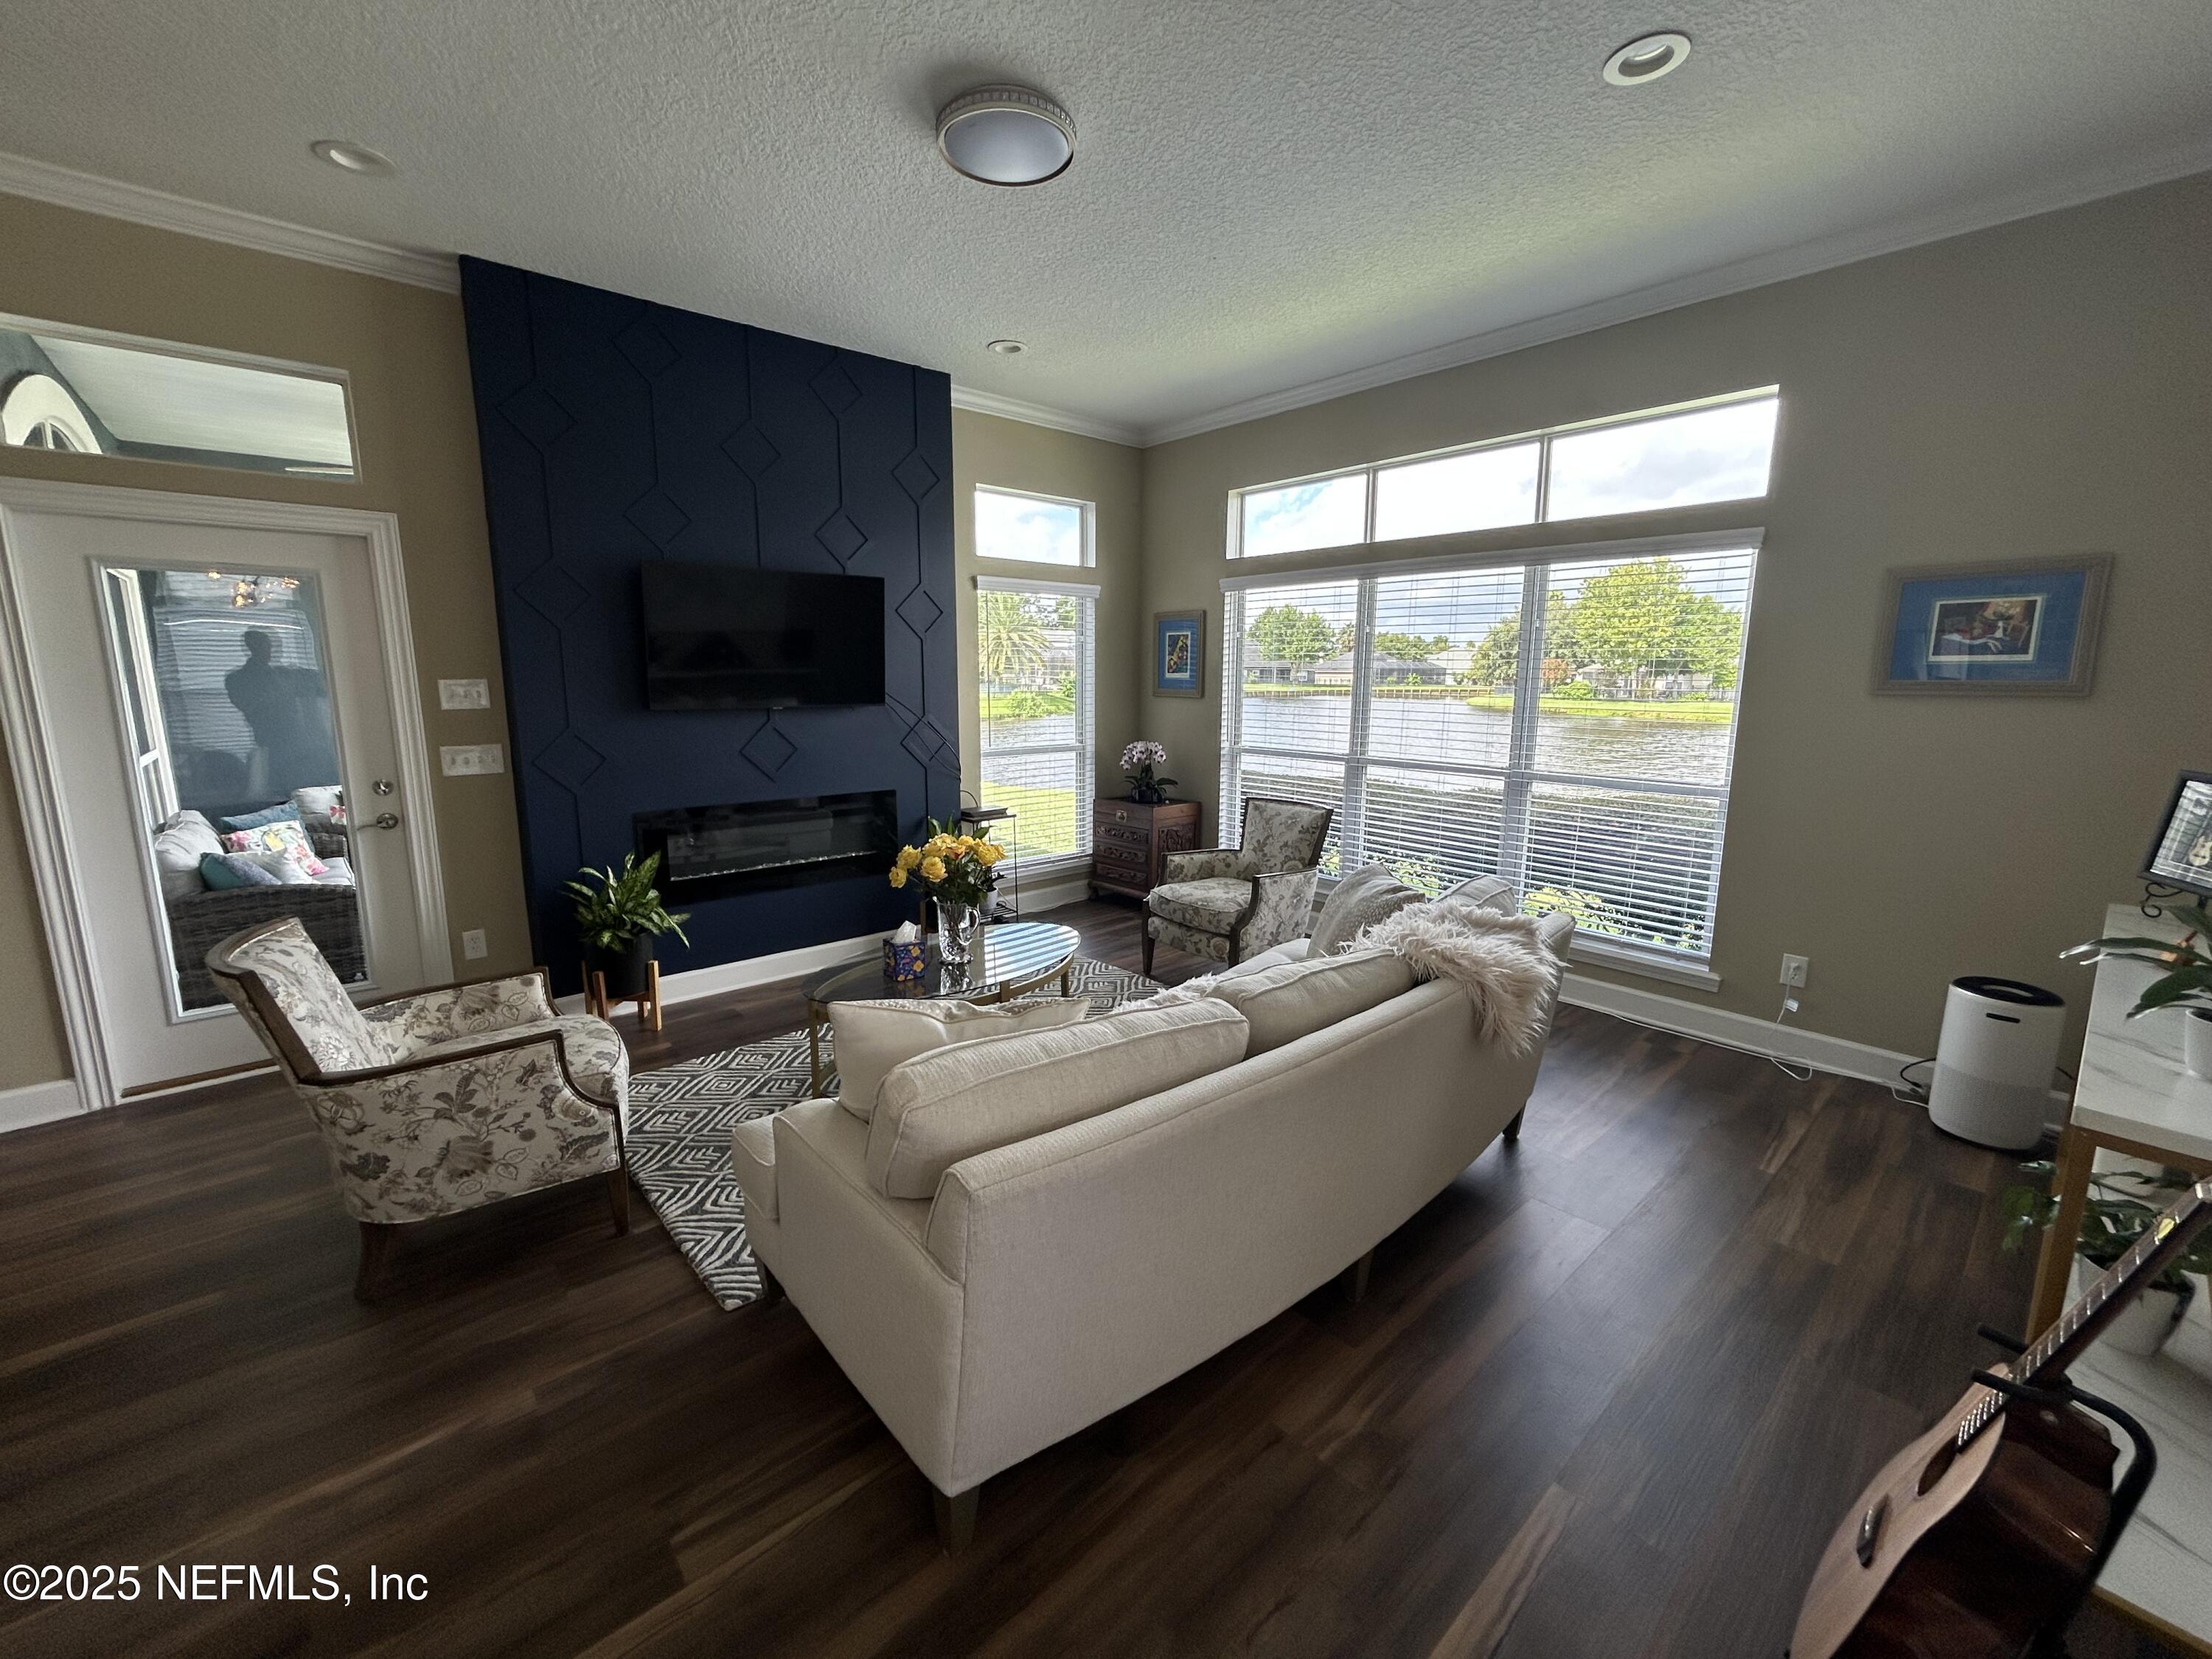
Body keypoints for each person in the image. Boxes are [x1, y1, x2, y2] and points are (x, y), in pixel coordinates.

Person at [225, 628, 338, 799]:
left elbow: (323, 687)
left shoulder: (285, 675)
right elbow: (253, 705)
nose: (269, 650)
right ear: (250, 647)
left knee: (320, 794)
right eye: (262, 645)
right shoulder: (239, 679)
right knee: (284, 796)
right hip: (274, 746)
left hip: (305, 746)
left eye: (270, 646)